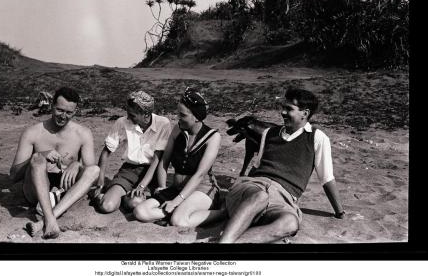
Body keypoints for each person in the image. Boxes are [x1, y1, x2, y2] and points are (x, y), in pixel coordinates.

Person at [218, 87, 345, 243]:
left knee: (290, 223)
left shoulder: (317, 138)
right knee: (260, 196)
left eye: (289, 109)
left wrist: (340, 212)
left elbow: (326, 178)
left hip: (282, 199)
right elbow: (256, 168)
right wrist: (235, 195)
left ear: (304, 113)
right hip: (254, 188)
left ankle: (227, 242)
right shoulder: (269, 133)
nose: (282, 112)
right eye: (283, 108)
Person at [10, 87, 99, 239]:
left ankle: (47, 220)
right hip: (36, 190)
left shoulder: (83, 133)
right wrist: (41, 155)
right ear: (51, 106)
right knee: (37, 159)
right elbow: (14, 175)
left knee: (94, 170)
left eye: (69, 112)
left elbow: (92, 175)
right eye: (59, 110)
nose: (63, 116)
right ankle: (50, 218)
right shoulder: (33, 132)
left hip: (64, 189)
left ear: (75, 112)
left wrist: (76, 165)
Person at [133, 87, 221, 228]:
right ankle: (176, 211)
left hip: (201, 189)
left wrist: (175, 201)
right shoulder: (177, 130)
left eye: (183, 115)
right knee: (140, 212)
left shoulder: (213, 137)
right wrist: (162, 186)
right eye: (178, 114)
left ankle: (223, 213)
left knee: (178, 221)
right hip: (177, 188)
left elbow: (200, 174)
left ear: (197, 117)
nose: (178, 118)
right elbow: (164, 161)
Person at [93, 91, 171, 213]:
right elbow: (105, 152)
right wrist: (101, 181)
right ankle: (119, 195)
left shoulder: (163, 123)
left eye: (132, 115)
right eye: (127, 113)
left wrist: (142, 186)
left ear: (146, 114)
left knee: (134, 203)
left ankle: (128, 196)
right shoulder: (122, 122)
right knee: (106, 206)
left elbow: (156, 160)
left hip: (151, 173)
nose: (128, 117)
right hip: (129, 171)